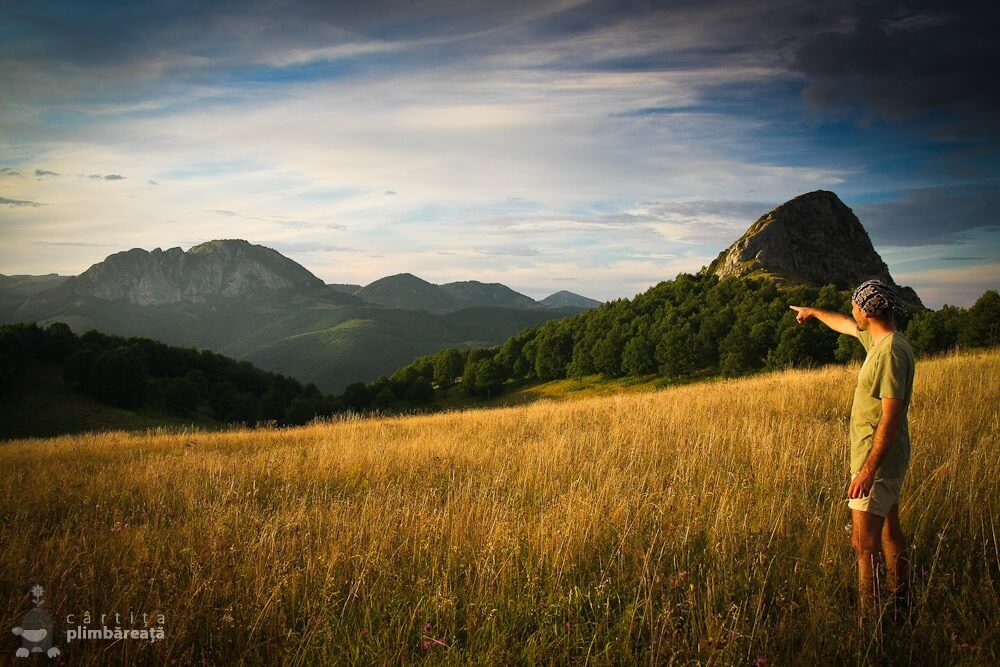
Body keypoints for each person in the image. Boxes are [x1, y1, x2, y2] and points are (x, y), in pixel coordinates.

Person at [789, 279, 915, 615]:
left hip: (876, 457)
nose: (852, 311)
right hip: (885, 455)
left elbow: (891, 415)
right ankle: (901, 603)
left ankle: (869, 624)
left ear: (869, 311)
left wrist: (868, 470)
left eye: (856, 305)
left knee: (863, 544)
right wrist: (813, 312)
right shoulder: (882, 339)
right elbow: (845, 325)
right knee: (889, 529)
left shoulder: (888, 353)